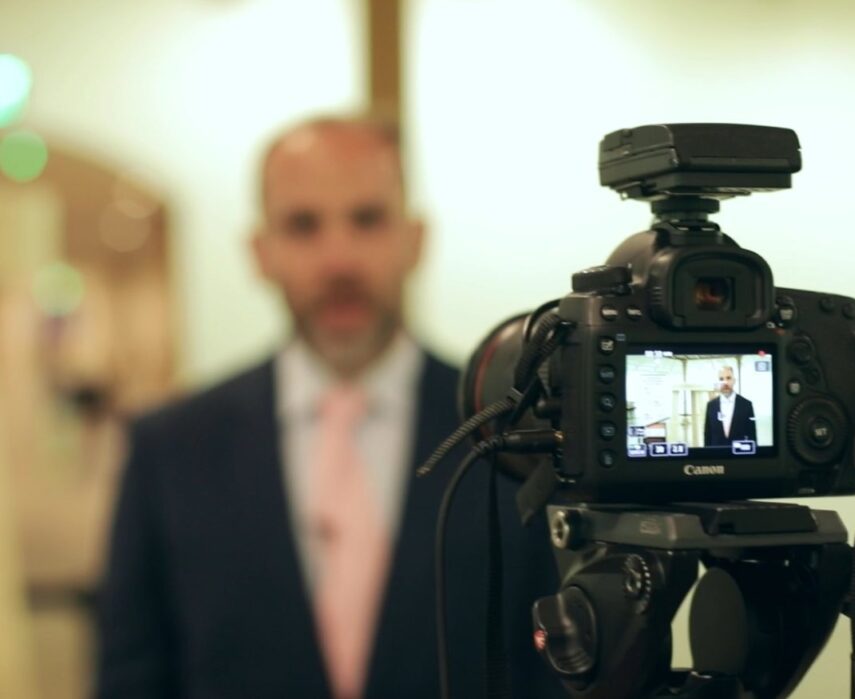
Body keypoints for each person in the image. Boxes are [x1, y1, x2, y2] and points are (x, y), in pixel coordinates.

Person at [95, 116, 563, 699]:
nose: (338, 258)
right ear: (260, 252)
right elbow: (130, 679)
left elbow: (556, 671)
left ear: (415, 239)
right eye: (303, 225)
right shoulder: (169, 448)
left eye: (366, 219)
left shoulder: (514, 435)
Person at [703, 365, 756, 447]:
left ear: (734, 380)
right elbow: (707, 436)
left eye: (728, 378)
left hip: (740, 456)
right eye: (721, 379)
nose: (725, 382)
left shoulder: (747, 405)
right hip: (716, 457)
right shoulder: (710, 406)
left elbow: (752, 436)